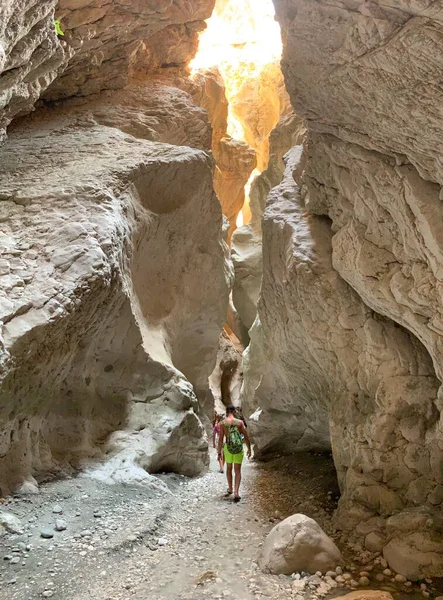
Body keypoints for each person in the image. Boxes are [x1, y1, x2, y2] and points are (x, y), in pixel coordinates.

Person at [217, 405, 251, 502]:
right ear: (234, 412)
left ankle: (230, 489)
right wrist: (249, 448)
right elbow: (246, 436)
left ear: (227, 412)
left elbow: (220, 440)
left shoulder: (222, 423)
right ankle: (236, 492)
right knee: (237, 470)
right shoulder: (240, 422)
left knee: (229, 468)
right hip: (238, 448)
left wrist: (219, 452)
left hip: (228, 448)